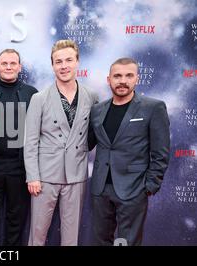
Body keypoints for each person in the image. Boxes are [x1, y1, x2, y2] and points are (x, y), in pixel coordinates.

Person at [88, 57, 170, 246]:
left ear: (137, 79)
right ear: (109, 79)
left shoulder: (153, 107)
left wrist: (150, 185)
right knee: (100, 241)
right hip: (100, 187)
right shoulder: (97, 110)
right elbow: (89, 143)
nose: (122, 80)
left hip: (133, 188)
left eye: (128, 76)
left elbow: (161, 152)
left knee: (127, 242)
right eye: (117, 76)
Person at [24, 39, 99, 246]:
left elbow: (93, 134)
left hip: (76, 175)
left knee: (71, 235)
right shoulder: (39, 98)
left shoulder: (91, 96)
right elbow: (30, 141)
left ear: (77, 62)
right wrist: (33, 176)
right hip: (45, 176)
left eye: (68, 60)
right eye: (58, 61)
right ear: (52, 65)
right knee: (38, 234)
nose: (64, 66)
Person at [0, 49, 37, 246]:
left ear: (19, 67)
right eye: (4, 63)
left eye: (13, 63)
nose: (8, 67)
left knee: (16, 219)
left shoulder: (32, 94)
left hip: (20, 167)